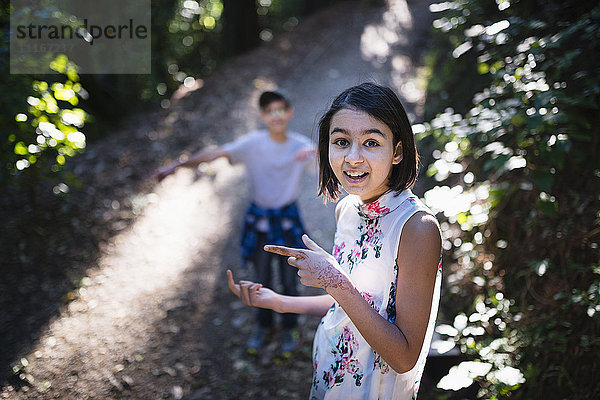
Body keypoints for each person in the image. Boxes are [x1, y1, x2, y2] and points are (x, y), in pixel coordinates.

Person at [227, 82, 442, 399]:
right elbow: (352, 301)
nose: (352, 158)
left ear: (397, 151)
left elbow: (404, 356)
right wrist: (278, 303)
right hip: (330, 378)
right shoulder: (347, 209)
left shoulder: (417, 229)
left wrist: (333, 279)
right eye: (341, 141)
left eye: (371, 142)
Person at [151, 90, 315, 355]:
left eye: (280, 109)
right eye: (270, 111)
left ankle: (289, 327)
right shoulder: (252, 144)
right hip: (260, 223)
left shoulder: (300, 146)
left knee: (289, 280)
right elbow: (216, 153)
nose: (276, 116)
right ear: (262, 116)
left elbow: (331, 165)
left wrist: (317, 151)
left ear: (289, 113)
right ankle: (263, 326)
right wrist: (178, 165)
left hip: (287, 222)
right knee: (261, 278)